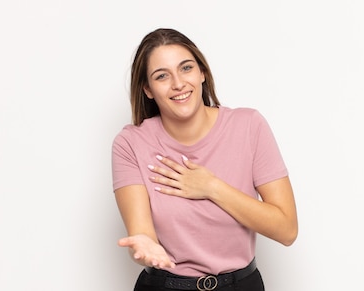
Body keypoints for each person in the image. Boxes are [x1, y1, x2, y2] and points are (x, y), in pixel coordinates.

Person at [111, 28, 298, 291]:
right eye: (162, 76)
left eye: (186, 68)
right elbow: (141, 232)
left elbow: (287, 229)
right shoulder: (131, 143)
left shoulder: (249, 126)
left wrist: (211, 187)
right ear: (148, 89)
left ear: (202, 73)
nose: (178, 83)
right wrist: (145, 247)